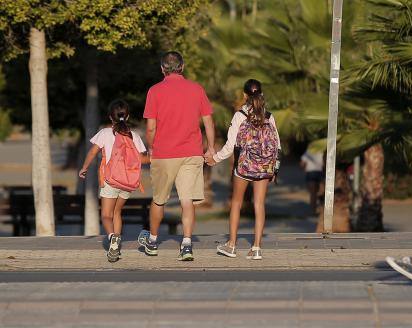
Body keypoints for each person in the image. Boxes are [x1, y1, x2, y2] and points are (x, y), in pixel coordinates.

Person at [137, 51, 215, 261]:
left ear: (163, 68)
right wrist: (211, 148)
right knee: (187, 200)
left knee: (159, 199)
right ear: (182, 66)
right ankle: (187, 245)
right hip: (191, 152)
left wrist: (151, 148)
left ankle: (152, 241)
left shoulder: (154, 91)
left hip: (164, 154)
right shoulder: (196, 89)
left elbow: (151, 127)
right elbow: (208, 121)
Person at [207, 79, 281, 260]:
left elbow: (230, 145)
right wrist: (275, 170)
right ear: (261, 94)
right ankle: (256, 248)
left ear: (244, 95)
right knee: (259, 204)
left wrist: (214, 158)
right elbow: (277, 146)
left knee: (236, 203)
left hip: (243, 167)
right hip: (264, 167)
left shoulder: (240, 115)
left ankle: (231, 245)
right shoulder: (269, 116)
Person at [79, 99, 148, 262]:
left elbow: (92, 153)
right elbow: (141, 159)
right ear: (128, 116)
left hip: (110, 180)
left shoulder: (104, 133)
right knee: (117, 212)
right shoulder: (134, 135)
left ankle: (113, 238)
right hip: (128, 183)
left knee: (106, 215)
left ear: (111, 117)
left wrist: (84, 168)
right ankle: (116, 242)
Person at [300, 148, 324, 215]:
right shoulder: (322, 150)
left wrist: (303, 169)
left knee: (313, 194)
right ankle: (320, 209)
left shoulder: (309, 150)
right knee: (321, 192)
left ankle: (313, 211)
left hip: (310, 173)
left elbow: (302, 163)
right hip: (320, 173)